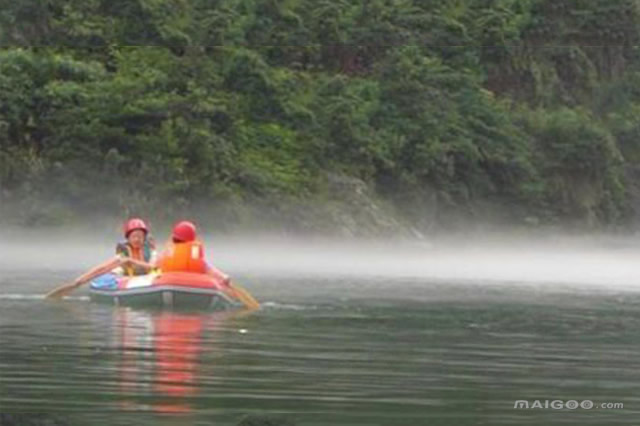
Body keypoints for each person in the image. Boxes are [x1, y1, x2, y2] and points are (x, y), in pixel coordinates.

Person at [70, 218, 157, 288]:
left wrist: (131, 261)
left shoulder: (150, 251)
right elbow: (104, 267)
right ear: (128, 238)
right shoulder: (124, 252)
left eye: (140, 237)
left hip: (148, 276)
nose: (137, 239)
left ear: (144, 238)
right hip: (126, 276)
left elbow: (154, 267)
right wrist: (81, 280)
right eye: (134, 236)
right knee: (114, 270)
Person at [156, 220, 230, 285]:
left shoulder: (169, 252)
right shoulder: (194, 252)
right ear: (192, 238)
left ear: (174, 238)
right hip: (193, 286)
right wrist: (223, 277)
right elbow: (209, 269)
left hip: (168, 282)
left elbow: (155, 267)